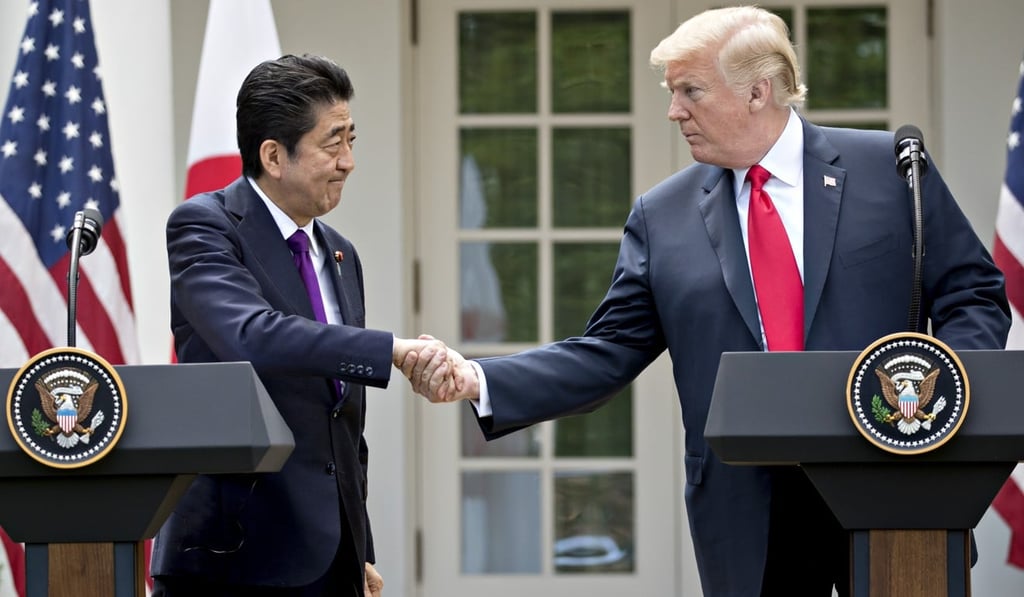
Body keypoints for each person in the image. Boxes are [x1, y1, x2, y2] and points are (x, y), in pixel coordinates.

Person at [398, 6, 1011, 596]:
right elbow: (605, 353)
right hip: (747, 506)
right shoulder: (662, 216)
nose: (673, 111)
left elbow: (973, 292)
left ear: (758, 91)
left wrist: (937, 400)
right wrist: (478, 377)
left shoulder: (888, 168)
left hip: (889, 479)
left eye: (690, 91)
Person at [151, 54, 440, 597]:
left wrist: (359, 546)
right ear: (273, 156)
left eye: (352, 139)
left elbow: (344, 422)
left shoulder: (340, 254)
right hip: (232, 559)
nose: (349, 161)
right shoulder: (205, 228)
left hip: (331, 560)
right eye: (333, 143)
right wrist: (393, 351)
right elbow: (252, 335)